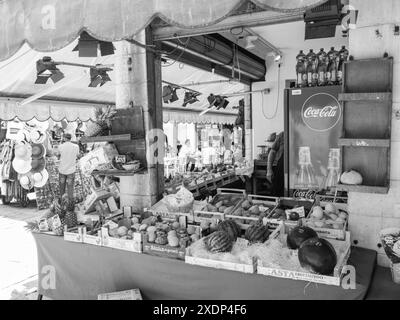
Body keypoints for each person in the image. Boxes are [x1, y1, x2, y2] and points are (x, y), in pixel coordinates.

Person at [55, 133, 80, 203]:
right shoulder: (76, 146)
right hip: (71, 170)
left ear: (64, 138)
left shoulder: (60, 146)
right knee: (70, 188)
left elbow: (58, 155)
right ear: (70, 138)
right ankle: (70, 204)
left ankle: (62, 203)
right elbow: (78, 156)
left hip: (62, 170)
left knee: (62, 188)